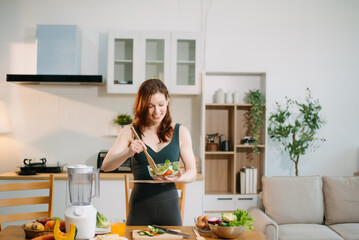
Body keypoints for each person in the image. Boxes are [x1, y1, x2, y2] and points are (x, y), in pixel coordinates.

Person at [102, 79, 197, 226]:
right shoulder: (130, 131)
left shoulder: (181, 132)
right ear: (142, 106)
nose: (157, 111)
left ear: (167, 101)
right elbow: (106, 166)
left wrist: (177, 178)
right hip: (140, 207)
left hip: (170, 206)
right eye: (150, 106)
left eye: (161, 105)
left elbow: (192, 173)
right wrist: (128, 152)